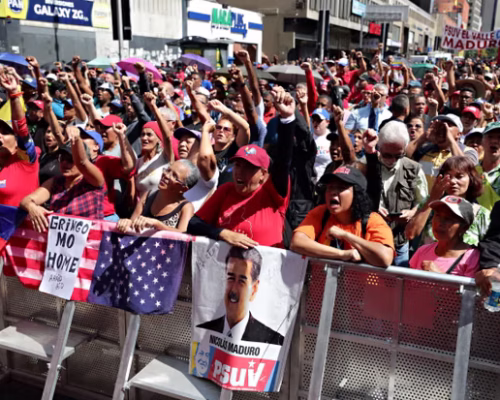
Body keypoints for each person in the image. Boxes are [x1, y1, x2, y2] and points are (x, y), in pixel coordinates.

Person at [187, 86, 294, 248]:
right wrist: (222, 233)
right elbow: (193, 223)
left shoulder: (272, 192)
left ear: (264, 175)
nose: (240, 172)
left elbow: (283, 161)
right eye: (238, 165)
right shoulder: (226, 191)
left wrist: (286, 119)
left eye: (250, 168)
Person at [291, 166, 395, 267]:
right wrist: (343, 254)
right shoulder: (321, 213)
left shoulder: (372, 220)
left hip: (361, 284)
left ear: (357, 193)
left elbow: (385, 258)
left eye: (341, 188)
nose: (333, 192)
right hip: (321, 284)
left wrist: (346, 235)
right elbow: (297, 243)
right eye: (330, 187)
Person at [363, 122, 428, 267]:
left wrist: (413, 212)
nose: (392, 161)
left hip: (399, 241)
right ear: (379, 146)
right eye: (387, 155)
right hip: (370, 240)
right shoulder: (367, 164)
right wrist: (373, 207)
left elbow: (423, 201)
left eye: (398, 156)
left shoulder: (414, 169)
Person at [20, 129, 106, 233]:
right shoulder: (56, 182)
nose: (64, 163)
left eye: (70, 160)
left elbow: (82, 162)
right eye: (62, 158)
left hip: (89, 244)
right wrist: (32, 207)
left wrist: (77, 139)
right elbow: (26, 200)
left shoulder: (93, 181)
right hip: (59, 246)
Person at [197, 246, 284, 345]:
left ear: (254, 290)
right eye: (231, 278)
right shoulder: (203, 331)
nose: (233, 289)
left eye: (242, 281)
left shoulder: (273, 341)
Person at [406, 156, 490, 248]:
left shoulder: (481, 214)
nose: (453, 181)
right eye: (448, 176)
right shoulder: (431, 203)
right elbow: (411, 233)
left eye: (459, 176)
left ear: (471, 179)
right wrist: (432, 199)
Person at [117, 160, 198, 233]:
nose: (166, 175)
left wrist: (157, 225)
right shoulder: (148, 195)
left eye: (174, 176)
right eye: (168, 170)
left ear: (183, 188)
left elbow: (182, 235)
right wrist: (126, 223)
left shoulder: (186, 207)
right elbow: (132, 223)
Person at [409, 195, 479, 278]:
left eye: (448, 218)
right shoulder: (422, 251)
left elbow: (470, 290)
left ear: (464, 227)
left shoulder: (472, 257)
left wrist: (439, 275)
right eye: (437, 215)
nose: (440, 223)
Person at [0, 70, 39, 207]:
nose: (0, 136)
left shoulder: (24, 159)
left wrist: (14, 95)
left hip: (21, 227)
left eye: (5, 132)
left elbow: (21, 129)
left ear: (16, 141)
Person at [408, 114, 478, 188]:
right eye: (440, 125)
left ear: (458, 134)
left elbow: (465, 170)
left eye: (448, 125)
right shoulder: (426, 148)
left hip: (448, 199)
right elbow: (405, 155)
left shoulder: (468, 151)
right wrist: (424, 136)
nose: (442, 128)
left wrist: (450, 140)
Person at [476, 122, 500, 210]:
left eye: (499, 137)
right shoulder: (471, 171)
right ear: (482, 141)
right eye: (490, 137)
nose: (494, 141)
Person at [311, 108, 333, 180]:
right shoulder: (308, 138)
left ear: (327, 122)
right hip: (310, 180)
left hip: (326, 180)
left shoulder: (332, 139)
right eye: (314, 120)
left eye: (319, 120)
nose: (315, 123)